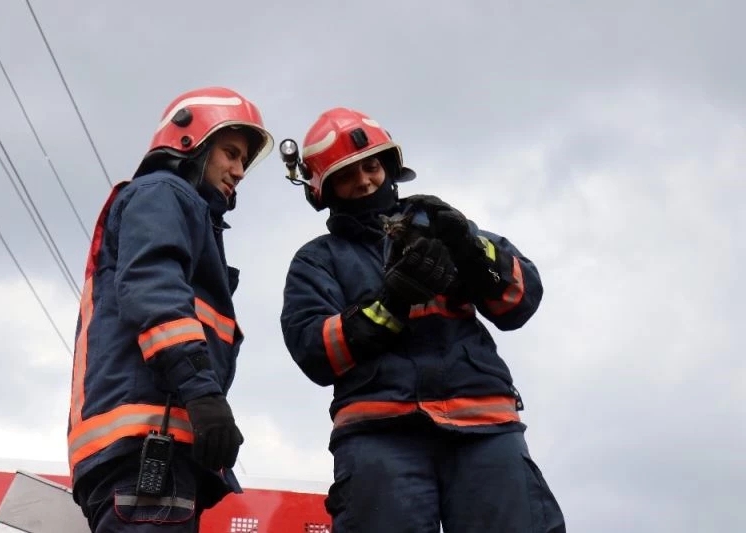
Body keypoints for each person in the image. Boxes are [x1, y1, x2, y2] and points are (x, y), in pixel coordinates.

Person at [280, 107, 565, 532]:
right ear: (325, 189)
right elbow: (315, 352)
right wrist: (391, 302)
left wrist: (472, 250)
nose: (363, 181)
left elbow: (520, 302)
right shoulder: (318, 260)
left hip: (483, 425)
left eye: (371, 166)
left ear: (389, 166)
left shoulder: (443, 226)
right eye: (346, 175)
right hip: (380, 431)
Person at [67, 86, 273, 532]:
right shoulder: (165, 193)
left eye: (244, 161)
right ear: (190, 141)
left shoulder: (177, 206)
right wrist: (202, 392)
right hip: (148, 441)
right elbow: (154, 289)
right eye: (231, 153)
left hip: (144, 444)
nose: (239, 170)